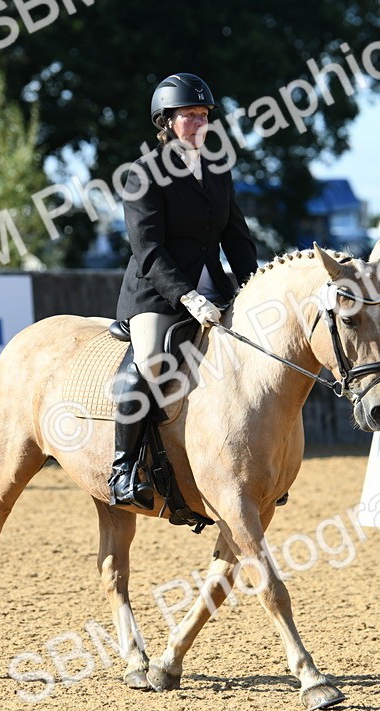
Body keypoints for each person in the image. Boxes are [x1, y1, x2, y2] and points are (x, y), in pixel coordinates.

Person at [108, 72, 259, 509]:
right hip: (156, 291)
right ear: (166, 122)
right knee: (152, 361)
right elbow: (148, 248)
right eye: (188, 116)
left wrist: (252, 284)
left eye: (203, 115)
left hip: (212, 280)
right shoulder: (142, 174)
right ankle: (123, 469)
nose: (198, 123)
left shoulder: (217, 168)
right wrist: (186, 297)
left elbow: (237, 237)